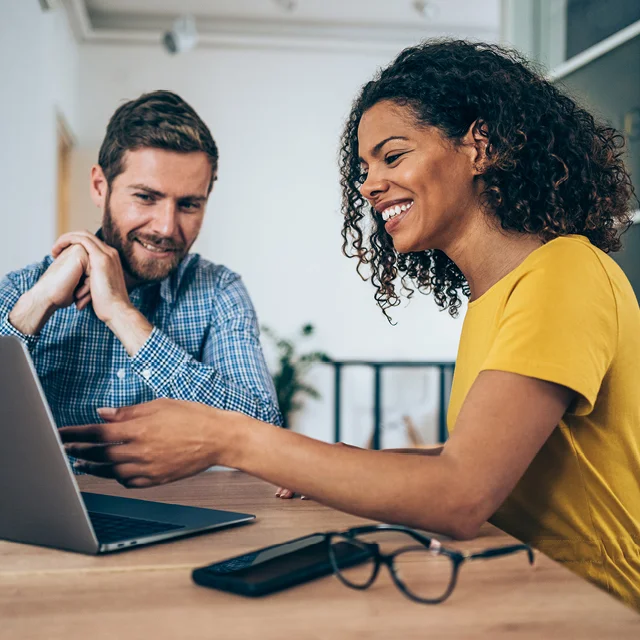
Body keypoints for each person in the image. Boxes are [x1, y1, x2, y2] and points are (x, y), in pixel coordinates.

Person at [60, 42, 640, 610]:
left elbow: (462, 495)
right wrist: (331, 465)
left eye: (392, 156)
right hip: (526, 587)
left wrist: (225, 436)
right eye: (364, 168)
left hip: (597, 606)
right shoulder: (497, 295)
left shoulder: (563, 273)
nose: (368, 184)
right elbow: (482, 460)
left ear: (478, 146)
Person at [0, 90, 281, 431]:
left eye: (189, 204)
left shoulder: (220, 291)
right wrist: (35, 307)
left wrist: (122, 314)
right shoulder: (24, 289)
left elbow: (264, 429)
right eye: (146, 197)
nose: (166, 227)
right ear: (100, 187)